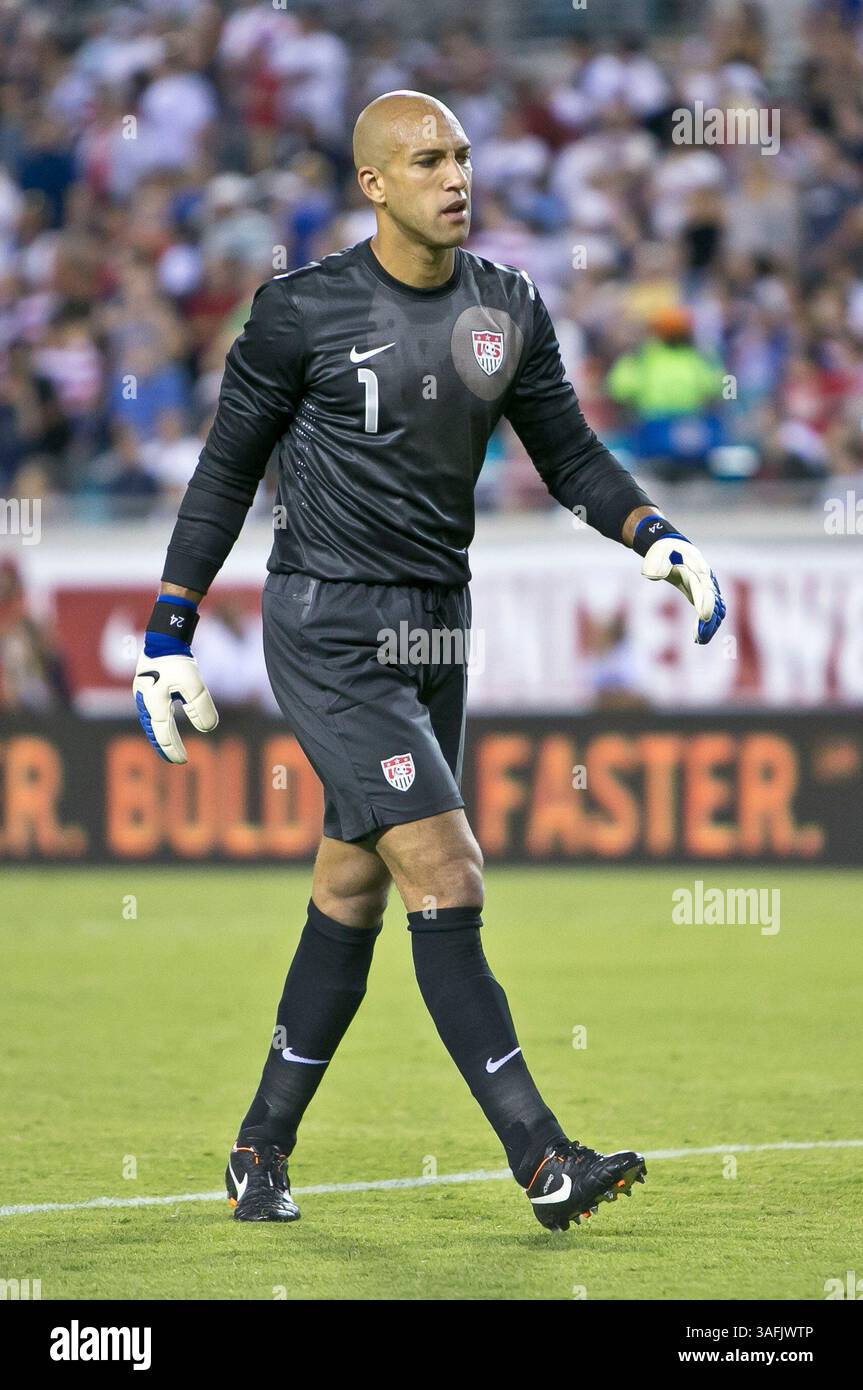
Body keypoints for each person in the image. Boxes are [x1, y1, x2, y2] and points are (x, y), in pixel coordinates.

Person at [133, 91, 725, 1231]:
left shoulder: (505, 308)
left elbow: (568, 455)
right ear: (373, 184)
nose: (454, 175)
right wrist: (168, 628)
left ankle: (258, 1148)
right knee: (447, 872)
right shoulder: (297, 313)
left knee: (352, 884)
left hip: (438, 624)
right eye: (425, 159)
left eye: (460, 153)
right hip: (329, 622)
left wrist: (655, 535)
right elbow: (222, 475)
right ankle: (543, 1159)